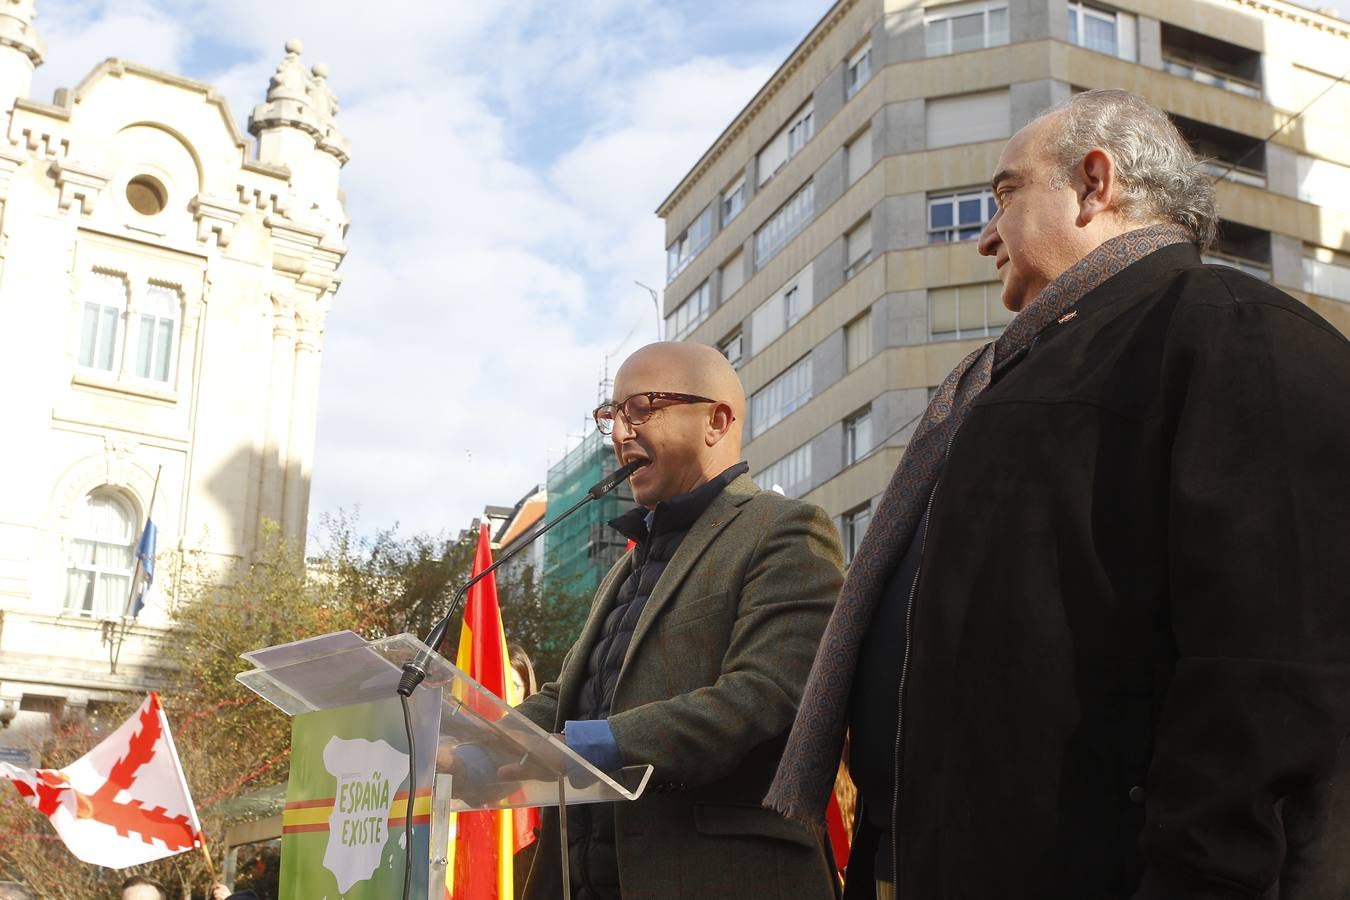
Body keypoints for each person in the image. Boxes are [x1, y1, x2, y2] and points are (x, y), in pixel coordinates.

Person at [767, 89, 1350, 900]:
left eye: (1004, 194)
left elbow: (1269, 675)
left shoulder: (1235, 334)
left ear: (1093, 183)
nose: (981, 237)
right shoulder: (1007, 375)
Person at [515, 341, 844, 899]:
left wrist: (591, 744)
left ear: (716, 421)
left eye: (641, 408)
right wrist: (481, 732)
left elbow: (764, 695)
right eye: (612, 415)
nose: (620, 433)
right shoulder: (631, 563)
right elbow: (574, 694)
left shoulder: (786, 530)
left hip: (721, 878)